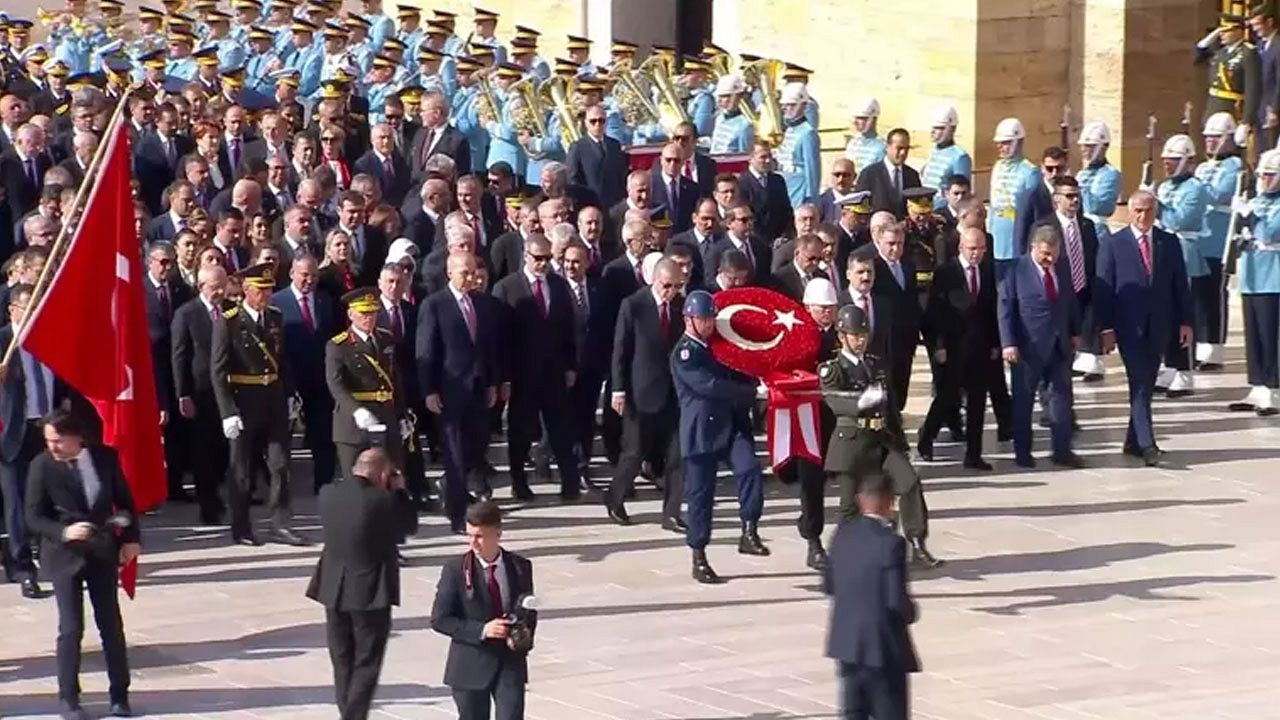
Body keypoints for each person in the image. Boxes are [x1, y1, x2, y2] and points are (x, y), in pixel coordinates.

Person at [24, 408, 140, 720]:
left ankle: (120, 695)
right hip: (64, 555)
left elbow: (125, 501)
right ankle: (69, 699)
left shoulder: (104, 458)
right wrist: (63, 532)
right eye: (49, 440)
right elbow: (33, 516)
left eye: (59, 440)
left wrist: (130, 537)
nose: (53, 447)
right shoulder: (42, 466)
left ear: (78, 438)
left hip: (101, 550)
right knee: (71, 628)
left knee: (111, 625)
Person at [819, 303, 940, 568]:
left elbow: (890, 405)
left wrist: (900, 438)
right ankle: (842, 554)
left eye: (863, 335)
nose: (860, 341)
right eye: (855, 335)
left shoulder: (875, 364)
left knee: (908, 483)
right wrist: (862, 402)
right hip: (852, 443)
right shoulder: (832, 370)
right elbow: (835, 402)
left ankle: (917, 543)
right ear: (842, 337)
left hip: (881, 439)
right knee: (849, 506)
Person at [671, 290, 769, 584]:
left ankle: (749, 528)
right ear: (689, 320)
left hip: (730, 425)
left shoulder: (719, 346)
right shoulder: (685, 353)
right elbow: (710, 385)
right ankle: (698, 555)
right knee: (701, 496)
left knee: (750, 468)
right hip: (701, 430)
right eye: (703, 318)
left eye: (711, 317)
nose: (709, 323)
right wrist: (752, 393)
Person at [211, 262, 307, 546]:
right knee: (241, 468)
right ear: (246, 290)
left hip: (273, 398)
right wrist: (227, 411)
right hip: (244, 397)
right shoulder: (228, 320)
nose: (266, 295)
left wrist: (290, 395)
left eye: (269, 290)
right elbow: (218, 370)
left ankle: (281, 522)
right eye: (260, 290)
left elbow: (283, 362)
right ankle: (241, 527)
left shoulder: (275, 318)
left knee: (280, 463)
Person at [1096, 190, 1194, 465]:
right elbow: (1104, 288)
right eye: (1137, 210)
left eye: (1148, 210)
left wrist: (1186, 321)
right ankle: (1148, 444)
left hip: (1160, 325)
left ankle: (1132, 440)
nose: (1142, 216)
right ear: (1129, 210)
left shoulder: (1168, 242)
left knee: (1147, 383)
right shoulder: (1113, 244)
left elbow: (1180, 285)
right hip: (1129, 326)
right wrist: (1105, 328)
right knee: (1138, 382)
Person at [306, 447, 401, 720]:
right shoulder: (383, 501)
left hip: (333, 587)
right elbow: (406, 526)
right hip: (369, 591)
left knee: (342, 659)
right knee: (366, 660)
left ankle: (347, 712)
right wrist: (399, 492)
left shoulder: (327, 494)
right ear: (382, 474)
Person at [491, 234, 582, 500]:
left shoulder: (558, 285)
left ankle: (570, 481)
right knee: (520, 431)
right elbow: (501, 338)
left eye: (547, 259)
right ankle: (519, 481)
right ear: (526, 257)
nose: (543, 264)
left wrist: (570, 365)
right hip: (521, 375)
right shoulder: (507, 288)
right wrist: (504, 377)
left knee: (561, 429)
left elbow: (569, 329)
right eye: (538, 259)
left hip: (554, 372)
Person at [823, 474, 919, 720]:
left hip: (846, 643)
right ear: (890, 501)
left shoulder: (842, 534)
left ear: (859, 499)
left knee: (853, 713)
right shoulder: (891, 543)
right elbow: (895, 600)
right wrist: (911, 611)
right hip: (882, 648)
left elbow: (829, 585)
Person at [430, 500, 537, 720]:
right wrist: (482, 630)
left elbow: (529, 609)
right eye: (469, 535)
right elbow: (440, 619)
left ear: (498, 533)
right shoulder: (455, 570)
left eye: (479, 536)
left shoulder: (520, 566)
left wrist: (523, 637)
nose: (473, 543)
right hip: (470, 664)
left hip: (509, 662)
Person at [418, 253, 502, 533]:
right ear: (450, 272)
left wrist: (492, 382)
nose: (471, 277)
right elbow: (426, 351)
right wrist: (429, 390)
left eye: (473, 272)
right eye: (464, 273)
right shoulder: (435, 305)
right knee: (453, 452)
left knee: (476, 448)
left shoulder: (481, 303)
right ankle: (456, 513)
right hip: (450, 389)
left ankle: (459, 490)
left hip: (478, 388)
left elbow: (488, 347)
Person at [605, 258, 685, 529]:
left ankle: (672, 512)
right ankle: (615, 498)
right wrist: (618, 389)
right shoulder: (634, 305)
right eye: (666, 286)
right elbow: (620, 351)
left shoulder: (679, 306)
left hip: (673, 392)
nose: (671, 292)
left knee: (677, 454)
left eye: (676, 286)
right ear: (654, 280)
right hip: (641, 392)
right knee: (634, 452)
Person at [999, 225, 1083, 469]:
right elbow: (1005, 309)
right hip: (1027, 347)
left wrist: (1076, 331)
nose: (1049, 259)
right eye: (1045, 254)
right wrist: (1008, 343)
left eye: (1054, 254)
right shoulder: (1015, 270)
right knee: (1023, 402)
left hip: (1059, 345)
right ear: (1033, 247)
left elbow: (1070, 301)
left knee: (1061, 399)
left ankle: (1062, 450)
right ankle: (1023, 452)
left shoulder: (1063, 268)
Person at [919, 227, 1001, 470]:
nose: (976, 254)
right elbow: (935, 313)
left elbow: (992, 309)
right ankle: (926, 438)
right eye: (972, 249)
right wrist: (939, 345)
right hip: (953, 347)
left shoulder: (988, 270)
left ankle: (974, 454)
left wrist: (996, 343)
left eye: (981, 249)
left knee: (977, 401)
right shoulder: (946, 273)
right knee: (947, 397)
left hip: (980, 347)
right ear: (961, 248)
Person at [170, 266, 231, 525]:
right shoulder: (187, 313)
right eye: (214, 286)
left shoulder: (229, 311)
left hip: (228, 391)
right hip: (200, 392)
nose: (219, 291)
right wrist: (183, 394)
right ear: (201, 286)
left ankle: (218, 491)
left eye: (222, 285)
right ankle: (209, 504)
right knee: (203, 452)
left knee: (224, 450)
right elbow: (179, 356)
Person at [326, 287, 406, 480]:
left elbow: (395, 378)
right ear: (351, 314)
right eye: (363, 313)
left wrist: (402, 414)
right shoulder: (338, 345)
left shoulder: (385, 338)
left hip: (385, 414)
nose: (368, 318)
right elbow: (336, 384)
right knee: (355, 479)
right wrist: (356, 410)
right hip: (354, 422)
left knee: (392, 476)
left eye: (372, 313)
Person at [1154, 134, 1210, 397]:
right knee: (1165, 312)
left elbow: (1181, 220)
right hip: (1165, 252)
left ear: (1186, 161)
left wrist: (1156, 207)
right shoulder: (1165, 186)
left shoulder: (1195, 188)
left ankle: (1184, 370)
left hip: (1186, 252)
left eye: (1173, 160)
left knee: (1184, 313)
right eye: (1166, 160)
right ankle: (1170, 365)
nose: (1167, 164)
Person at [1194, 112, 1243, 370]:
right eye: (1207, 137)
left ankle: (1214, 348)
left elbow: (1218, 194)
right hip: (1199, 238)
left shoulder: (1234, 166)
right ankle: (1198, 345)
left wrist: (1191, 189)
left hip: (1218, 238)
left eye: (1215, 137)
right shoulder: (1202, 167)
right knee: (1198, 294)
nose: (1210, 142)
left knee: (1214, 293)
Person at [988, 118, 1041, 279]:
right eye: (1000, 143)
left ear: (1018, 141)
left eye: (1006, 143)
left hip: (1017, 240)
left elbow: (1033, 211)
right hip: (996, 237)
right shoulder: (997, 167)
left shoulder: (1030, 171)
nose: (1001, 147)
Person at [854, 128, 921, 219]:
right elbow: (860, 208)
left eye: (907, 149)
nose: (903, 153)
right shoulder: (869, 174)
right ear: (887, 147)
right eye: (899, 148)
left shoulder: (912, 175)